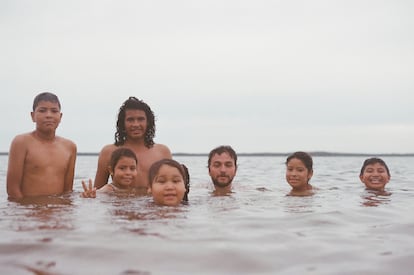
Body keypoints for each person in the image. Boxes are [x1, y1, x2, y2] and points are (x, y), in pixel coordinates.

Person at [6, 92, 77, 200]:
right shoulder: (21, 142)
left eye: (54, 111)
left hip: (58, 212)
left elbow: (67, 191)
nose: (48, 115)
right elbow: (13, 189)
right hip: (29, 212)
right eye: (42, 110)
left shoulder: (69, 147)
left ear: (60, 116)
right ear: (33, 116)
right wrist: (25, 213)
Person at [94, 97, 172, 193]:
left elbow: (170, 188)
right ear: (123, 123)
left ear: (148, 122)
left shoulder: (162, 152)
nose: (136, 124)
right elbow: (97, 194)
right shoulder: (109, 152)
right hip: (120, 205)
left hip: (150, 206)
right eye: (130, 120)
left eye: (140, 119)